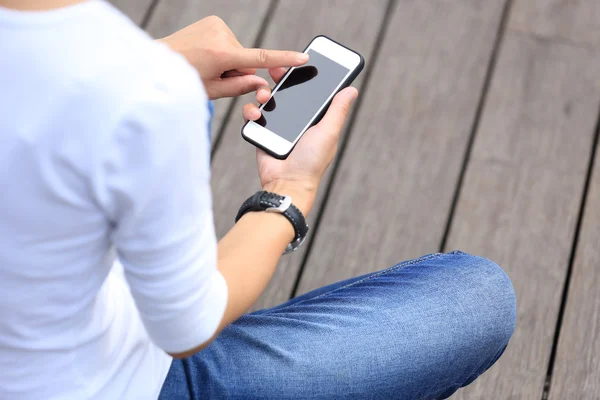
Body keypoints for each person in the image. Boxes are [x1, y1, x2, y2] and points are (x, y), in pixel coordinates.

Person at [0, 0, 517, 399]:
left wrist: (150, 69)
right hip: (107, 382)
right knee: (480, 298)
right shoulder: (143, 92)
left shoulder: (132, 83)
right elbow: (185, 325)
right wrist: (288, 194)